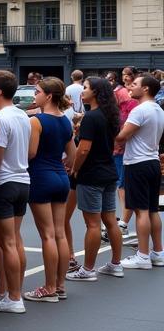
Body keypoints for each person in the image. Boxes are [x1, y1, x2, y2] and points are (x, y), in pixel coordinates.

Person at [66, 77, 124, 282]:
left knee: (92, 224)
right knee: (110, 221)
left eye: (86, 88)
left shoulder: (91, 117)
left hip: (92, 174)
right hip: (109, 172)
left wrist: (75, 168)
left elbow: (84, 149)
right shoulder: (110, 115)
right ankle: (116, 264)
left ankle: (88, 269)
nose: (82, 91)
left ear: (96, 92)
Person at [23, 78, 76, 302]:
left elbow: (31, 153)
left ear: (48, 96)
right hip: (60, 177)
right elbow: (72, 154)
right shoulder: (66, 121)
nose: (35, 95)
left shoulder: (37, 121)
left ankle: (49, 287)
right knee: (60, 233)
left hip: (41, 177)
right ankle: (60, 285)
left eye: (37, 92)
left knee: (47, 236)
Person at [0, 70, 31, 313]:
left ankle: (14, 297)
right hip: (22, 180)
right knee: (15, 241)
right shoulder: (22, 115)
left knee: (7, 244)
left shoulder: (1, 119)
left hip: (4, 183)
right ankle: (13, 290)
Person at [116, 74, 164, 269]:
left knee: (141, 211)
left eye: (135, 84)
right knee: (152, 210)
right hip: (151, 161)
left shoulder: (139, 110)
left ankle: (143, 255)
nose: (130, 87)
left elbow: (121, 137)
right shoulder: (158, 110)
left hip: (138, 163)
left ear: (145, 89)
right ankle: (157, 252)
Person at [114, 69, 139, 241]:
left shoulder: (133, 105)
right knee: (122, 185)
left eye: (128, 75)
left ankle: (123, 222)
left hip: (126, 150)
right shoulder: (125, 105)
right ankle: (124, 221)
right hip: (120, 149)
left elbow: (124, 133)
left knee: (125, 185)